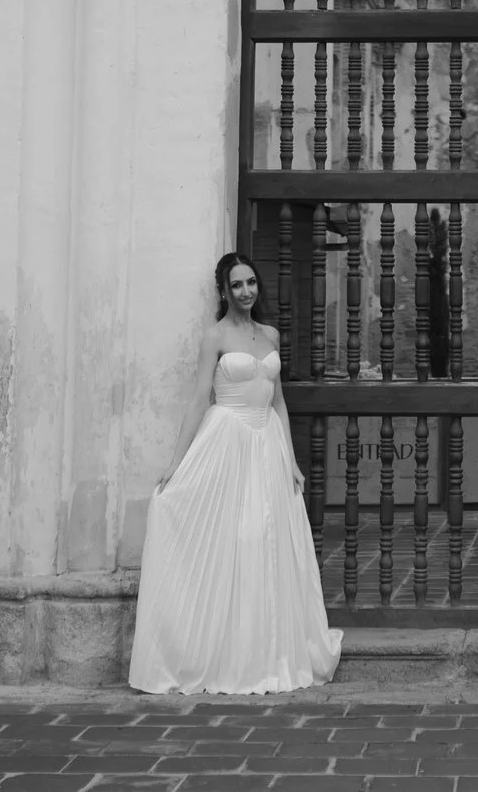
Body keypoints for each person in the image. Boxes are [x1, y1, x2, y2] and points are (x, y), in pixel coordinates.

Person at [127, 252, 343, 693]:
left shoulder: (270, 335)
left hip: (266, 445)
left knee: (268, 542)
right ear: (224, 290)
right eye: (237, 285)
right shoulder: (215, 337)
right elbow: (197, 400)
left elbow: (277, 400)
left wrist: (292, 459)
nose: (246, 291)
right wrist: (175, 464)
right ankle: (222, 654)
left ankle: (269, 651)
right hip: (226, 440)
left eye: (251, 283)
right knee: (236, 539)